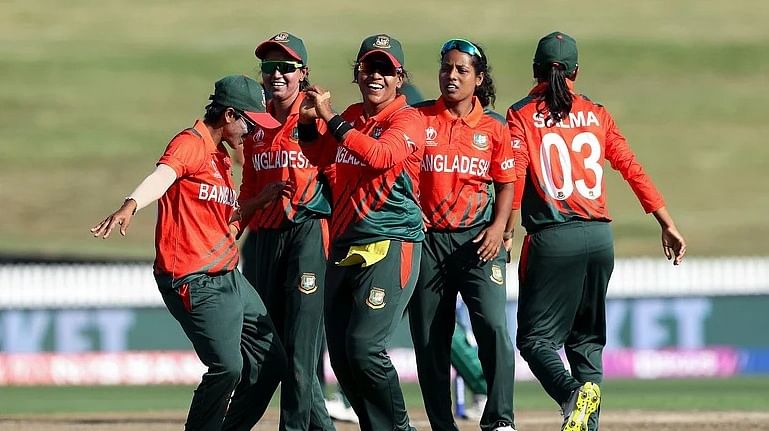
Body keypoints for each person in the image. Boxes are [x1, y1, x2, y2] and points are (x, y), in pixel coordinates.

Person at [506, 31, 687, 431]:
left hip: (553, 238)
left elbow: (515, 177)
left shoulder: (520, 114)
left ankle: (572, 394)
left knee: (535, 341)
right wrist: (666, 221)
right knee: (586, 344)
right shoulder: (597, 113)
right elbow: (631, 168)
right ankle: (585, 425)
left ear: (535, 69)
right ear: (576, 71)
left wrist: (504, 229)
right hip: (600, 239)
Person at [90, 75, 289, 431]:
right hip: (193, 279)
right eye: (250, 122)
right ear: (229, 115)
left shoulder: (220, 158)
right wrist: (131, 204)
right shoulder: (190, 143)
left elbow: (222, 218)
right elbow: (163, 175)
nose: (253, 132)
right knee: (228, 367)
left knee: (271, 362)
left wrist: (259, 200)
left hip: (228, 276)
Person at [297, 33, 425, 431]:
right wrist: (307, 125)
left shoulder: (408, 119)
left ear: (399, 78)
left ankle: (400, 427)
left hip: (391, 240)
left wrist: (330, 118)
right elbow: (321, 157)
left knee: (365, 347)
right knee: (341, 355)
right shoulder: (352, 117)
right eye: (369, 67)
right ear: (358, 72)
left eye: (385, 69)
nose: (376, 76)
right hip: (346, 243)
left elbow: (381, 156)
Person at [409, 38, 517, 431]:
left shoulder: (494, 126)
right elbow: (398, 170)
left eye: (461, 70)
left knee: (493, 327)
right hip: (428, 242)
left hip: (478, 241)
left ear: (479, 78)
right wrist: (410, 211)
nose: (451, 76)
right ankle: (442, 423)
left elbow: (506, 182)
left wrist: (498, 227)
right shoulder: (419, 119)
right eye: (446, 68)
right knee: (430, 337)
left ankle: (500, 419)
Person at [237, 31, 335, 431]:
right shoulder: (253, 124)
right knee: (274, 353)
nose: (276, 74)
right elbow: (248, 188)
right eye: (269, 67)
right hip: (262, 239)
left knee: (300, 352)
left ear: (303, 73)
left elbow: (337, 176)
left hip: (307, 230)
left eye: (286, 67)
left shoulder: (315, 118)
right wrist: (230, 230)